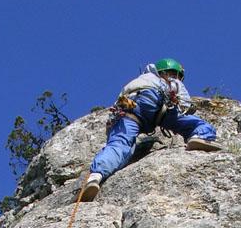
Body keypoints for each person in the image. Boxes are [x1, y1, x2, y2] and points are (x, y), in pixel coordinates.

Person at [82, 58, 220, 202]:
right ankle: (200, 135)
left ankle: (95, 176)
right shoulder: (170, 80)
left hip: (130, 108)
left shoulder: (138, 81)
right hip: (158, 103)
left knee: (119, 144)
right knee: (195, 123)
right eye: (177, 75)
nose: (178, 79)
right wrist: (186, 108)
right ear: (169, 72)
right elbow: (185, 103)